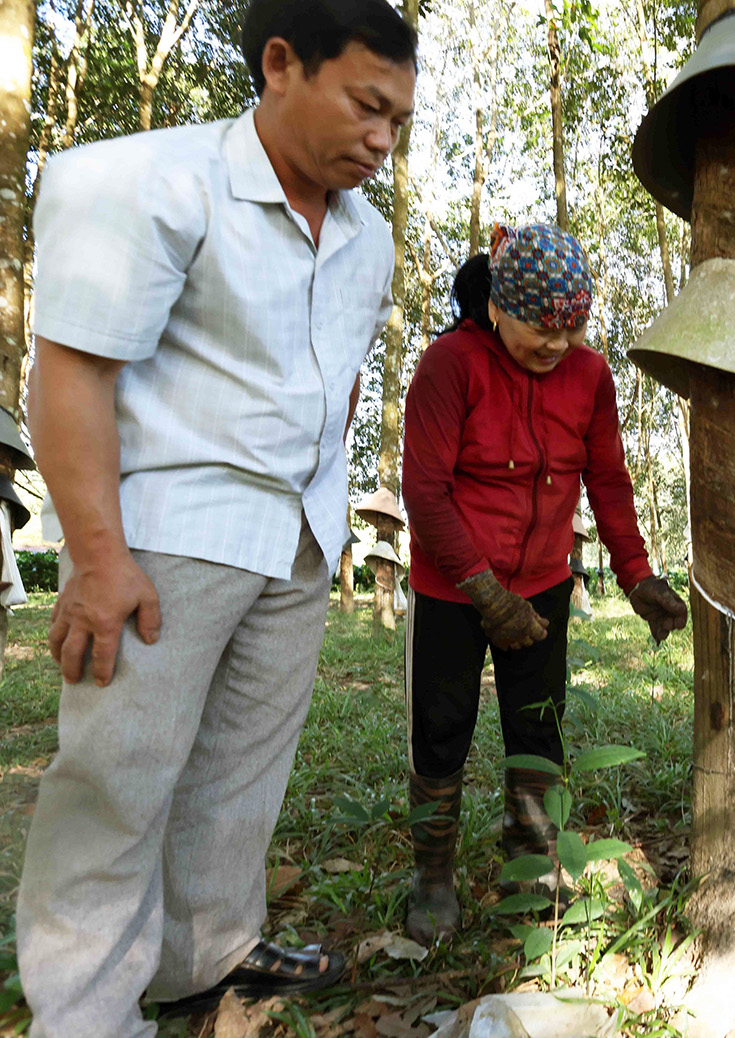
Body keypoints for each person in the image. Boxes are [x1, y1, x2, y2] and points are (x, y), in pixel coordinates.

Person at [15, 2, 416, 1033]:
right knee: (117, 779)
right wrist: (98, 559)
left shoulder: (366, 238)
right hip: (165, 539)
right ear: (281, 64)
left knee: (242, 768)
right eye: (368, 106)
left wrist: (323, 523)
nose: (383, 139)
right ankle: (87, 1014)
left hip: (297, 540)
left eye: (400, 122)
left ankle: (207, 954)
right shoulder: (150, 183)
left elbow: (337, 380)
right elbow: (73, 370)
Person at [400, 230, 687, 944]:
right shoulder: (448, 366)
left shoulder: (590, 377)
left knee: (539, 726)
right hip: (452, 588)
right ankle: (432, 875)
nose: (558, 344)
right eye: (541, 327)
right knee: (442, 726)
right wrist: (483, 593)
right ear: (498, 307)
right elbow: (426, 492)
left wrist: (637, 573)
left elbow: (609, 479)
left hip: (544, 585)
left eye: (573, 327)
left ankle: (530, 863)